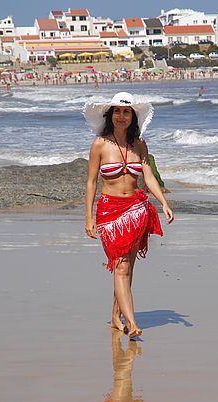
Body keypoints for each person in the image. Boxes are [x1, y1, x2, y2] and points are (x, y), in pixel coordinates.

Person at [83, 92, 174, 339]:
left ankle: (115, 317)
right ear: (110, 115)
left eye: (126, 112)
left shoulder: (139, 145)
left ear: (132, 116)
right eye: (117, 111)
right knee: (121, 267)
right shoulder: (100, 145)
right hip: (110, 212)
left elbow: (149, 177)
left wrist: (164, 203)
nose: (121, 116)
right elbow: (91, 182)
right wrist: (88, 217)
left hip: (136, 210)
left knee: (126, 268)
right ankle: (131, 323)